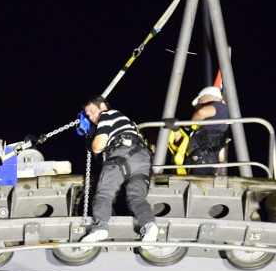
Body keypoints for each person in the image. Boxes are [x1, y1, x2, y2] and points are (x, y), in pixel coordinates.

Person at [79, 96, 158, 244]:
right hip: (141, 158)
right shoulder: (124, 121)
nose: (90, 117)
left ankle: (99, 229)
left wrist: (90, 138)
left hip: (121, 154)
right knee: (136, 197)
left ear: (102, 106)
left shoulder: (107, 115)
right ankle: (149, 225)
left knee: (104, 193)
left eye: (91, 112)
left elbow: (97, 146)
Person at [167, 85, 232, 175]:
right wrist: (176, 129)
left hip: (203, 163)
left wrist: (190, 123)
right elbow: (184, 144)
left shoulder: (220, 107)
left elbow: (201, 112)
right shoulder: (204, 127)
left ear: (206, 99)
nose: (199, 106)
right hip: (198, 163)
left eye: (200, 103)